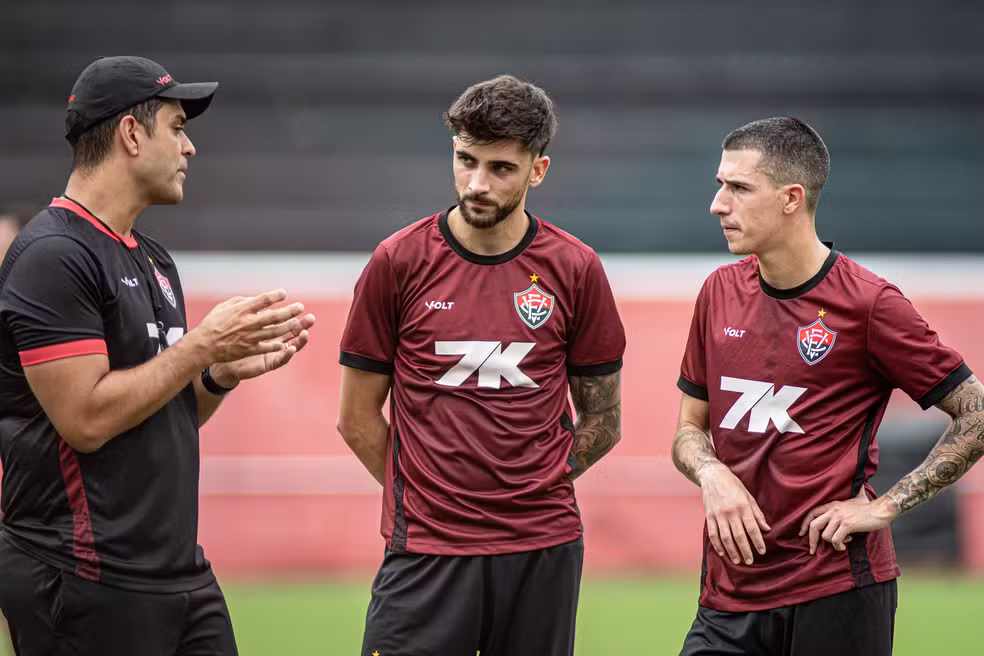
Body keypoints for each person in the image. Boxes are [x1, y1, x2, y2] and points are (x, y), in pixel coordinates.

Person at [0, 56, 316, 656]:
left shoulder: (154, 259)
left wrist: (216, 375)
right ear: (131, 133)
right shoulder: (52, 255)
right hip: (84, 576)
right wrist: (201, 346)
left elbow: (168, 411)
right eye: (177, 127)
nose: (189, 147)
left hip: (178, 574)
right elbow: (86, 419)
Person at [336, 74, 626, 656]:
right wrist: (428, 497)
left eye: (501, 168)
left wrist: (533, 485)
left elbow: (605, 418)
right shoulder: (398, 262)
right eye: (466, 160)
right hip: (426, 551)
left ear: (538, 170)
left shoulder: (576, 269)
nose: (477, 183)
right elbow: (356, 417)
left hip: (541, 550)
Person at [671, 116, 980, 656]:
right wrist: (711, 472)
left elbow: (976, 412)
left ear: (791, 198)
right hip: (728, 595)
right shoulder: (717, 292)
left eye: (738, 188)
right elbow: (687, 432)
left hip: (836, 588)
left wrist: (885, 508)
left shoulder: (870, 304)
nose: (718, 204)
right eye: (720, 185)